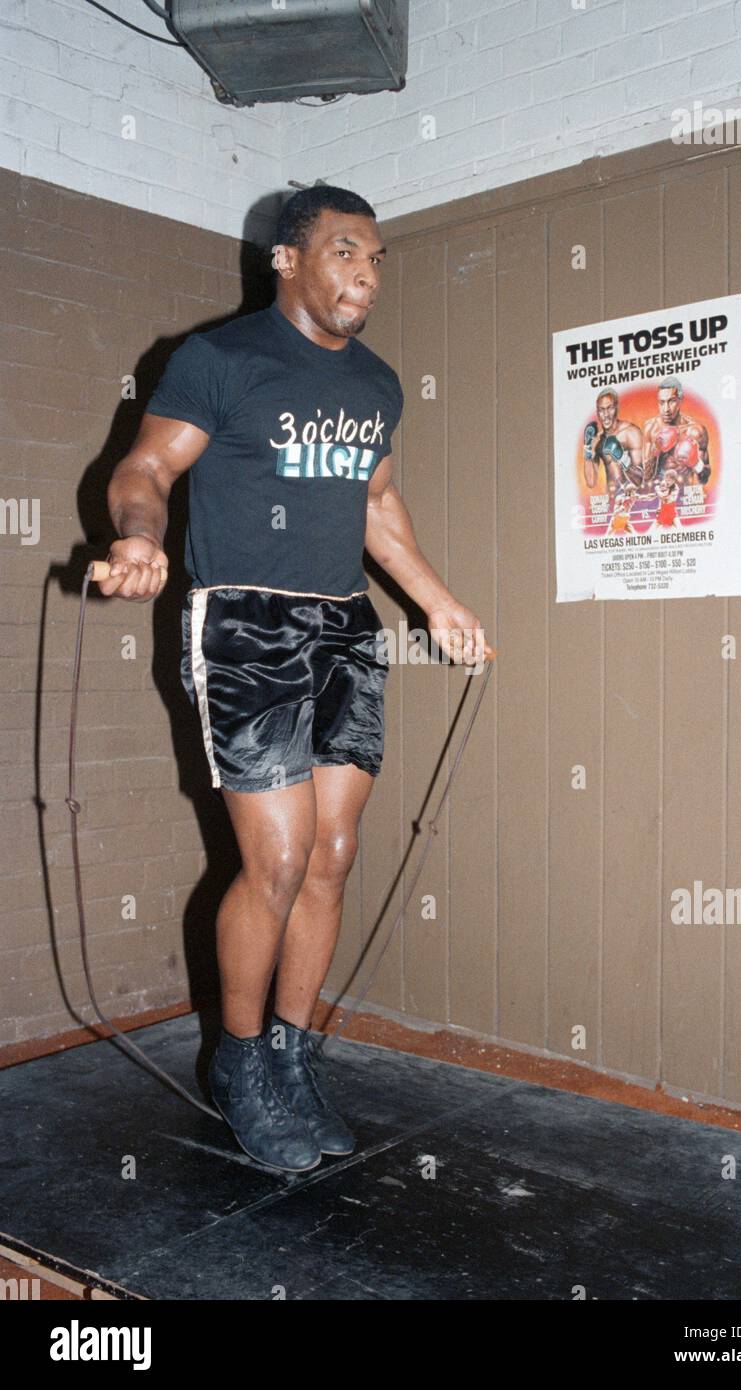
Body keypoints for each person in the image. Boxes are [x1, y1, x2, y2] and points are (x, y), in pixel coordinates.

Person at [98, 185, 495, 1174]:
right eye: (344, 251)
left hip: (345, 629)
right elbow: (145, 468)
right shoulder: (220, 358)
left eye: (376, 258)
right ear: (288, 259)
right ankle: (236, 1062)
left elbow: (379, 504)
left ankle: (290, 1051)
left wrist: (436, 601)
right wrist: (140, 538)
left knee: (332, 854)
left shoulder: (375, 384)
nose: (364, 273)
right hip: (245, 621)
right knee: (273, 862)